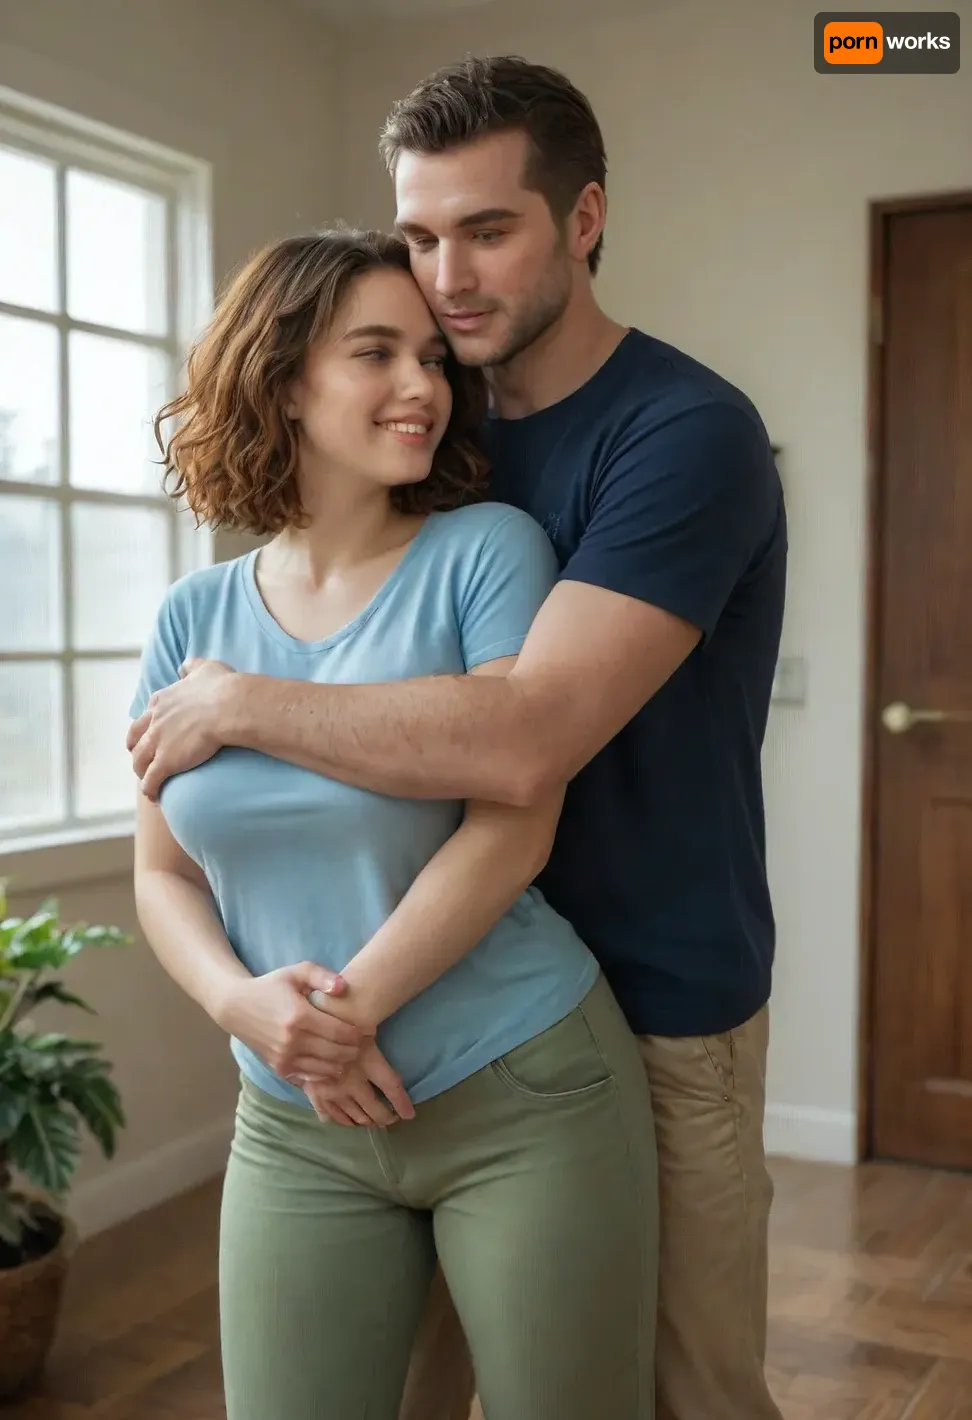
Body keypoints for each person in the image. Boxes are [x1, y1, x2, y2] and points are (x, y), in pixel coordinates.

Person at [127, 56, 787, 1420]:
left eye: (488, 229)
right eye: (422, 236)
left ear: (584, 218)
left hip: (641, 1004)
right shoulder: (448, 434)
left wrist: (242, 700)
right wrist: (281, 1012)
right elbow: (177, 852)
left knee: (688, 1397)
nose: (446, 281)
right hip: (377, 1050)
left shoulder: (682, 436)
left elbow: (523, 737)